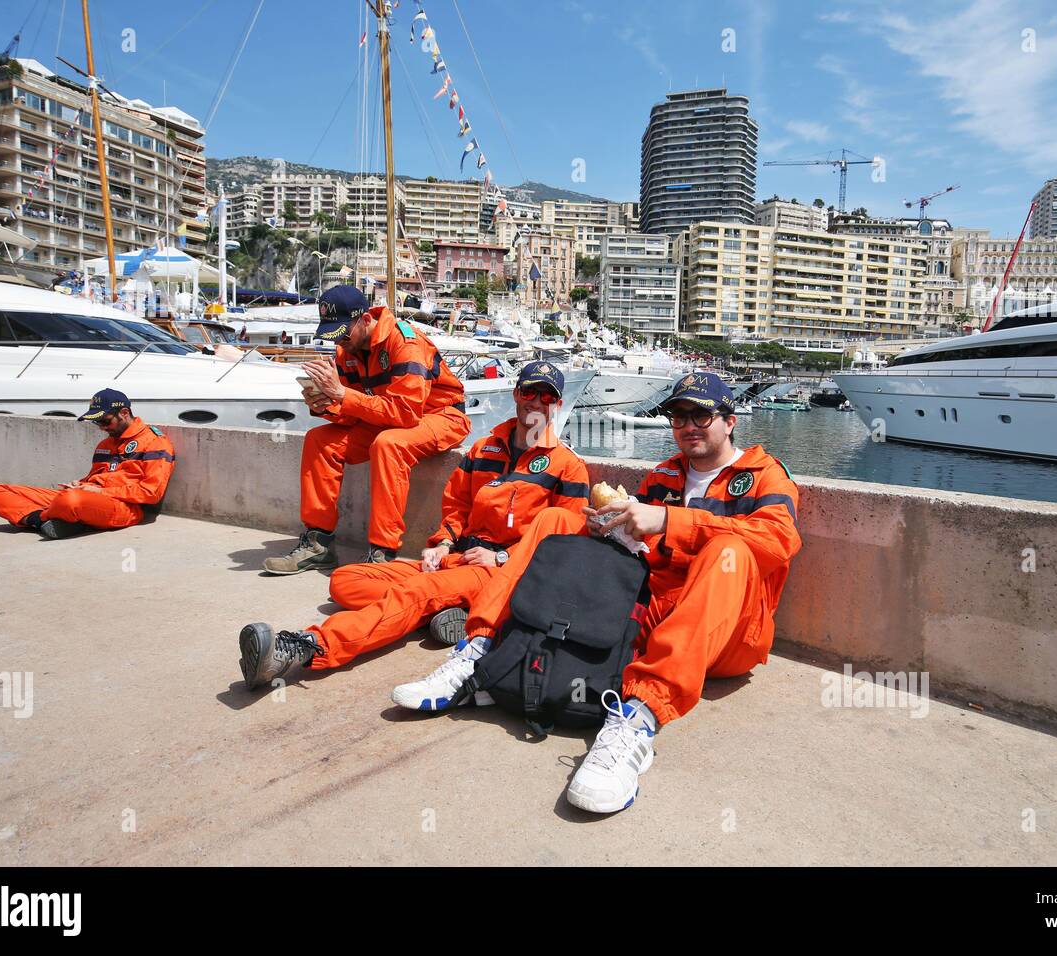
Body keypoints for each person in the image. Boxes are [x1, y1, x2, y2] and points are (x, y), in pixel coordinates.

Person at [391, 371, 802, 814]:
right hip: (651, 618)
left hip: (723, 636)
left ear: (729, 421)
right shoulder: (665, 475)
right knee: (555, 522)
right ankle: (479, 649)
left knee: (729, 549)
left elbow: (777, 542)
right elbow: (636, 553)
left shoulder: (763, 474)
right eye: (678, 416)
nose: (688, 426)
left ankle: (642, 715)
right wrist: (610, 529)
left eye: (700, 415)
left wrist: (668, 522)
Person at [239, 362, 588, 691]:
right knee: (345, 582)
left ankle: (305, 648)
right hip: (458, 559)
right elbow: (457, 506)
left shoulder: (567, 466)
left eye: (548, 397)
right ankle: (441, 610)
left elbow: (564, 543)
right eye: (530, 393)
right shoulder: (485, 448)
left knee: (414, 593)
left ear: (556, 405)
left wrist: (501, 559)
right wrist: (442, 544)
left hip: (498, 570)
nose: (537, 403)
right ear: (516, 394)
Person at [264, 286, 470, 573]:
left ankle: (383, 553)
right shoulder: (348, 349)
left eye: (344, 333)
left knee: (389, 444)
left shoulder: (404, 343)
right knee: (319, 440)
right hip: (391, 416)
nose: (341, 341)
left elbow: (406, 413)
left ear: (364, 319)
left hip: (440, 415)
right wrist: (324, 403)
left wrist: (342, 396)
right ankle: (318, 544)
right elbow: (354, 411)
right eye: (334, 334)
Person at [0, 389, 176, 539]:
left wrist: (98, 493)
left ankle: (41, 518)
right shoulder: (105, 444)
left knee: (70, 501)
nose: (102, 427)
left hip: (124, 507)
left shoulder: (155, 442)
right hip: (88, 497)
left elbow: (151, 493)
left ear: (124, 413)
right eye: (97, 423)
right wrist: (81, 484)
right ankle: (47, 521)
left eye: (105, 421)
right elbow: (97, 477)